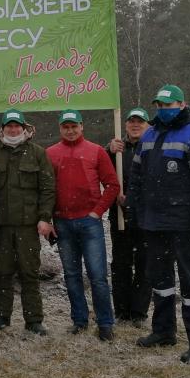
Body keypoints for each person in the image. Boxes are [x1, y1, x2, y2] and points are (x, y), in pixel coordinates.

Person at [127, 84, 190, 365]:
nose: (163, 111)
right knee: (161, 282)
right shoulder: (150, 134)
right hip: (154, 224)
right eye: (160, 106)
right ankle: (163, 331)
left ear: (181, 104)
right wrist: (135, 212)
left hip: (184, 225)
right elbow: (137, 178)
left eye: (168, 106)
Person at [47, 109, 120, 341]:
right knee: (71, 275)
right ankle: (79, 320)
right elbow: (46, 190)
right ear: (60, 128)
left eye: (74, 126)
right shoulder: (50, 153)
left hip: (89, 223)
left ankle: (105, 322)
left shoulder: (96, 151)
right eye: (66, 127)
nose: (70, 131)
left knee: (97, 276)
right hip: (62, 223)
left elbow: (112, 185)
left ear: (81, 126)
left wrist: (97, 212)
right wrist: (49, 218)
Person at [0, 108, 55, 336]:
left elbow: (47, 189)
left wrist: (45, 218)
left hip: (28, 225)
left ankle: (34, 320)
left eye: (17, 126)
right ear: (2, 129)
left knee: (29, 273)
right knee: (2, 272)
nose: (13, 130)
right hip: (2, 226)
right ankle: (1, 317)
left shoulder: (38, 153)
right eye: (9, 126)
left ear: (25, 128)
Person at [106, 108, 152, 326]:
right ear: (124, 125)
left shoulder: (153, 147)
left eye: (140, 122)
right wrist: (108, 150)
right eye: (131, 121)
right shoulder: (117, 149)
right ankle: (122, 311)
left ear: (148, 125)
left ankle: (139, 312)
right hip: (120, 217)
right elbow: (102, 172)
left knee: (145, 264)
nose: (135, 125)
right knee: (121, 265)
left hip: (147, 217)